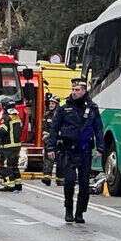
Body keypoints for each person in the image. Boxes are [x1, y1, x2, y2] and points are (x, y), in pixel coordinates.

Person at [47, 78, 104, 224]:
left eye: (77, 90)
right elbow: (54, 129)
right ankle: (68, 210)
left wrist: (100, 148)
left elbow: (98, 129)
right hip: (68, 150)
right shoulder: (64, 108)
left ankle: (80, 212)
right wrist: (51, 147)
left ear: (84, 91)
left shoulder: (92, 108)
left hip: (85, 150)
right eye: (73, 89)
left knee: (84, 184)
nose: (74, 92)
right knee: (69, 181)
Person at [0, 101, 24, 193]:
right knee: (14, 165)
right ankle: (18, 184)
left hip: (8, 146)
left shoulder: (6, 118)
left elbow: (2, 131)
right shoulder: (17, 117)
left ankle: (9, 185)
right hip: (17, 146)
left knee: (5, 165)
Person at [40, 94, 59, 185]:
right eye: (50, 103)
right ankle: (47, 177)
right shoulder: (47, 115)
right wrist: (46, 137)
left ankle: (60, 179)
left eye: (53, 103)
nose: (50, 105)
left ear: (57, 104)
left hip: (59, 140)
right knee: (48, 158)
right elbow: (44, 128)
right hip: (49, 139)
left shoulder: (60, 115)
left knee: (61, 159)